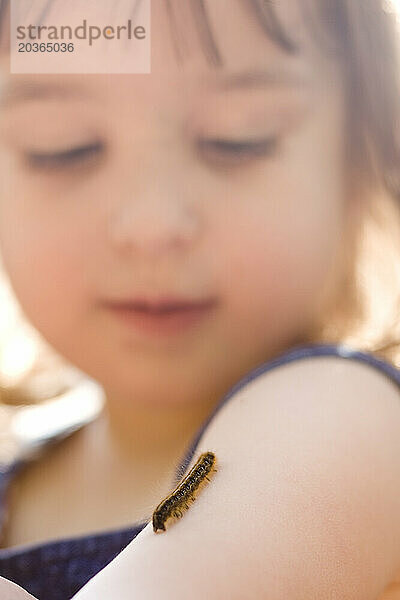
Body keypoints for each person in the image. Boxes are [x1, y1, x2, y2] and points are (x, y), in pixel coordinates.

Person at [0, 0, 399, 598]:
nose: (151, 226)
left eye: (236, 138)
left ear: (360, 163)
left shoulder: (344, 426)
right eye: (64, 147)